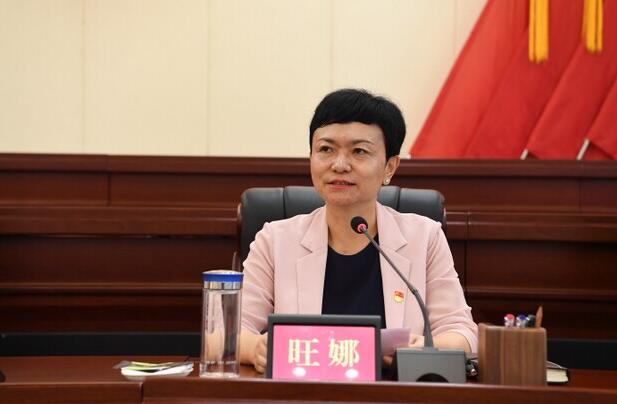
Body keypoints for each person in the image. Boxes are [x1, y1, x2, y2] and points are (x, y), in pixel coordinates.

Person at [239, 89, 477, 373]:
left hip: (394, 392)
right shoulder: (275, 240)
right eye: (326, 149)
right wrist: (256, 348)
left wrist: (426, 349)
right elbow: (226, 331)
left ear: (390, 167)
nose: (339, 165)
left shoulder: (424, 237)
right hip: (304, 391)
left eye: (359, 151)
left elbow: (462, 332)